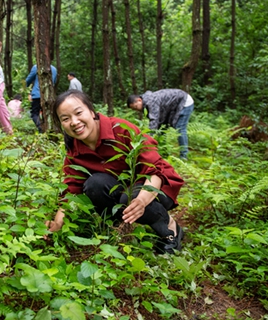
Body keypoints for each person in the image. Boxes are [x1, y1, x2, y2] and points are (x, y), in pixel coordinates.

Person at [46, 90, 185, 254]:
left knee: (131, 197)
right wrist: (57, 224)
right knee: (94, 185)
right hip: (123, 190)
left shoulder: (121, 129)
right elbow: (71, 190)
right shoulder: (75, 151)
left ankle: (170, 230)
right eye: (66, 119)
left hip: (157, 186)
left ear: (91, 111)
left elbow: (154, 170)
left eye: (78, 113)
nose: (74, 122)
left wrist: (141, 201)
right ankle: (117, 229)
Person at [127, 89, 194, 159]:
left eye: (136, 107)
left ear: (139, 100)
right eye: (134, 109)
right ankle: (163, 151)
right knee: (161, 129)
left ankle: (184, 156)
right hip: (174, 106)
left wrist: (148, 140)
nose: (137, 110)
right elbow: (159, 122)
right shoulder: (146, 104)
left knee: (180, 128)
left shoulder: (150, 101)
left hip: (185, 102)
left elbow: (154, 120)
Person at [26, 64, 57, 132]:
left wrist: (26, 87)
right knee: (46, 113)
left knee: (34, 113)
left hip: (37, 95)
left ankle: (41, 128)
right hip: (49, 95)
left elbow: (28, 80)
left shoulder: (37, 67)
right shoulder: (54, 69)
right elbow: (54, 82)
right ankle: (49, 129)